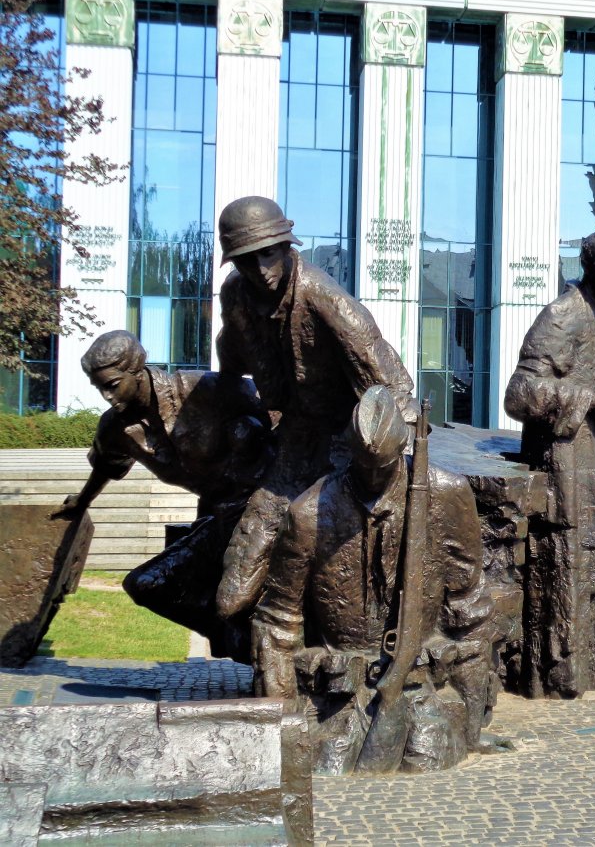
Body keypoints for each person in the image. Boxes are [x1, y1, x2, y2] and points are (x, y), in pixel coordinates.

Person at [251, 387, 495, 774]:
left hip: (420, 688)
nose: (372, 476)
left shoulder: (447, 494)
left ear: (402, 451)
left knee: (428, 757)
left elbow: (469, 608)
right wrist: (283, 723)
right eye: (362, 464)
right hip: (334, 697)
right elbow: (277, 621)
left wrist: (474, 716)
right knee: (330, 765)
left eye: (383, 466)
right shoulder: (309, 512)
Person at [213, 196, 417, 621]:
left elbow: (394, 385)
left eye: (269, 254)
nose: (261, 271)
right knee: (232, 594)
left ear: (289, 247)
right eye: (246, 260)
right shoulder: (235, 295)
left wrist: (379, 457)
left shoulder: (325, 299)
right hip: (296, 436)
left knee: (326, 545)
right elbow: (230, 357)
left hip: (349, 439)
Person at [53, 330, 273, 660]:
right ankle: (242, 641)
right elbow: (106, 465)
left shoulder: (204, 390)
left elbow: (277, 415)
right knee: (147, 584)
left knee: (237, 596)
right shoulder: (116, 429)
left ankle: (261, 645)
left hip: (265, 506)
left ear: (136, 369)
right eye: (98, 387)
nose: (106, 396)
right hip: (217, 518)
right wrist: (82, 501)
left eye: (112, 384)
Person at [504, 230, 595, 699]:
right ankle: (564, 673)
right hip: (569, 465)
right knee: (571, 563)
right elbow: (519, 393)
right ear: (586, 266)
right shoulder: (561, 315)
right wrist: (590, 401)